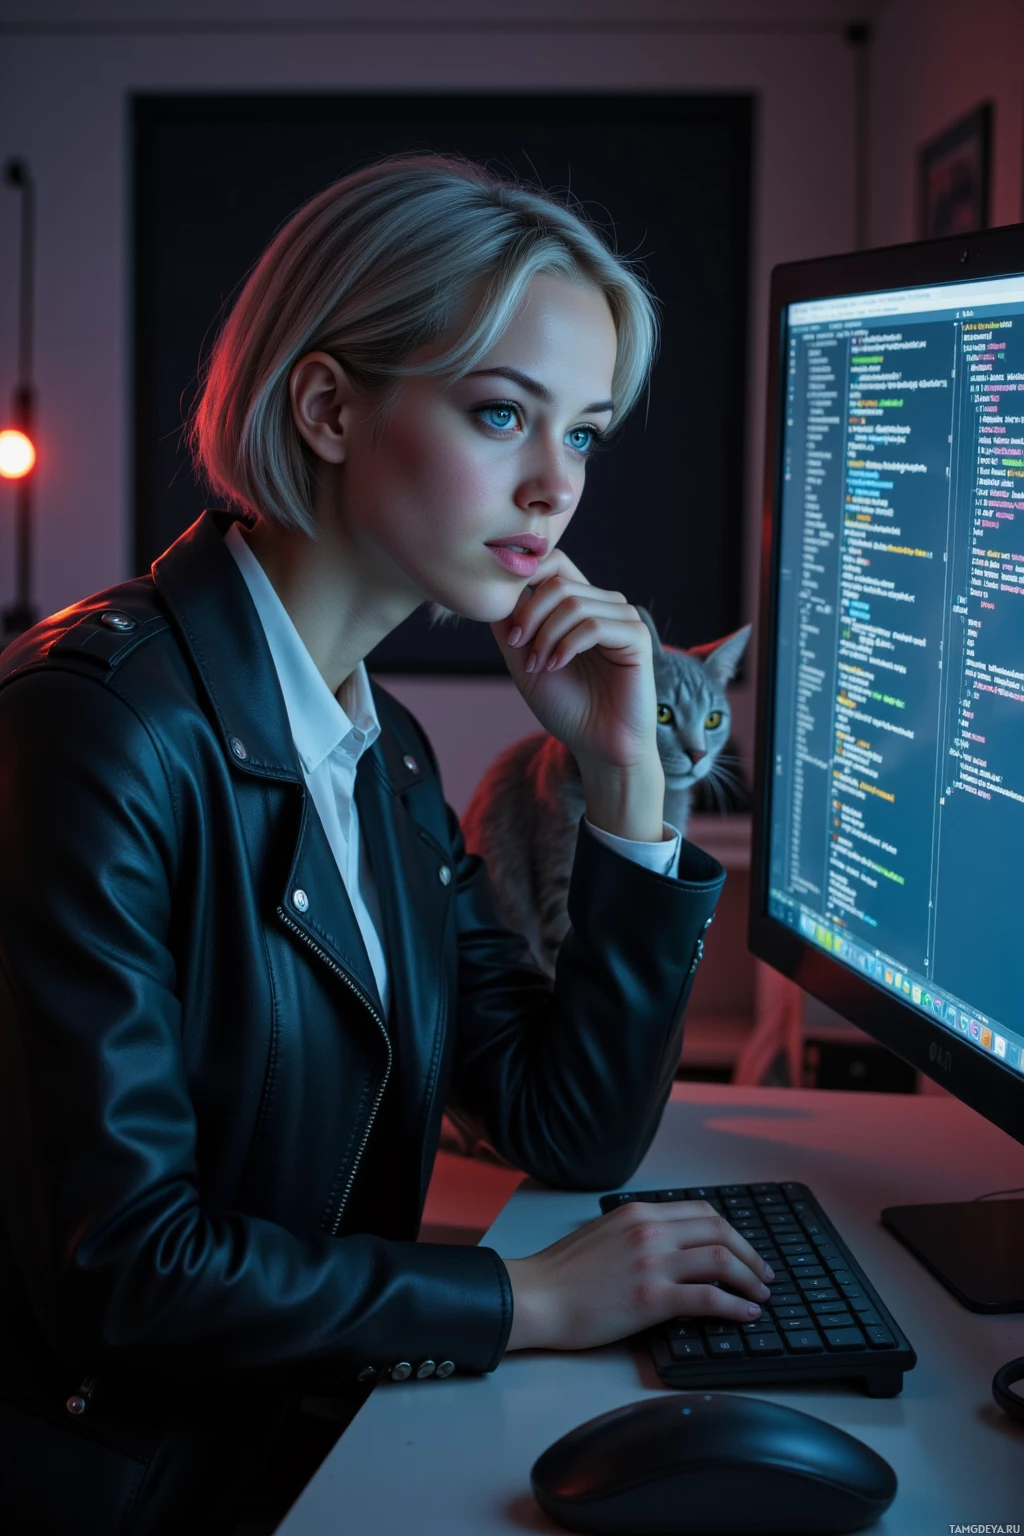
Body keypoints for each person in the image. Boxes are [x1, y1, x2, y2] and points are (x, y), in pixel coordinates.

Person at [0, 153, 774, 1533]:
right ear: (326, 406)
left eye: (583, 434)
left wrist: (624, 786)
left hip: (304, 1432)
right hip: (135, 1489)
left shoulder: (383, 752)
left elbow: (565, 1124)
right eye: (501, 413)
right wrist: (525, 1298)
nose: (553, 489)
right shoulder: (96, 729)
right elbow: (124, 1268)